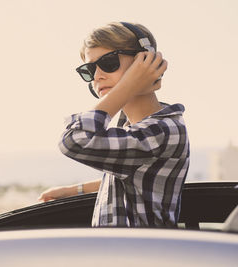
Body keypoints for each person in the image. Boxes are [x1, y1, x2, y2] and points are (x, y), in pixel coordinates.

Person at [38, 22, 190, 228]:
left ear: (145, 60)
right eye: (90, 69)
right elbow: (132, 178)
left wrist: (127, 86)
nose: (98, 76)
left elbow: (73, 141)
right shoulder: (134, 126)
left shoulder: (162, 131)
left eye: (109, 63)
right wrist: (72, 191)